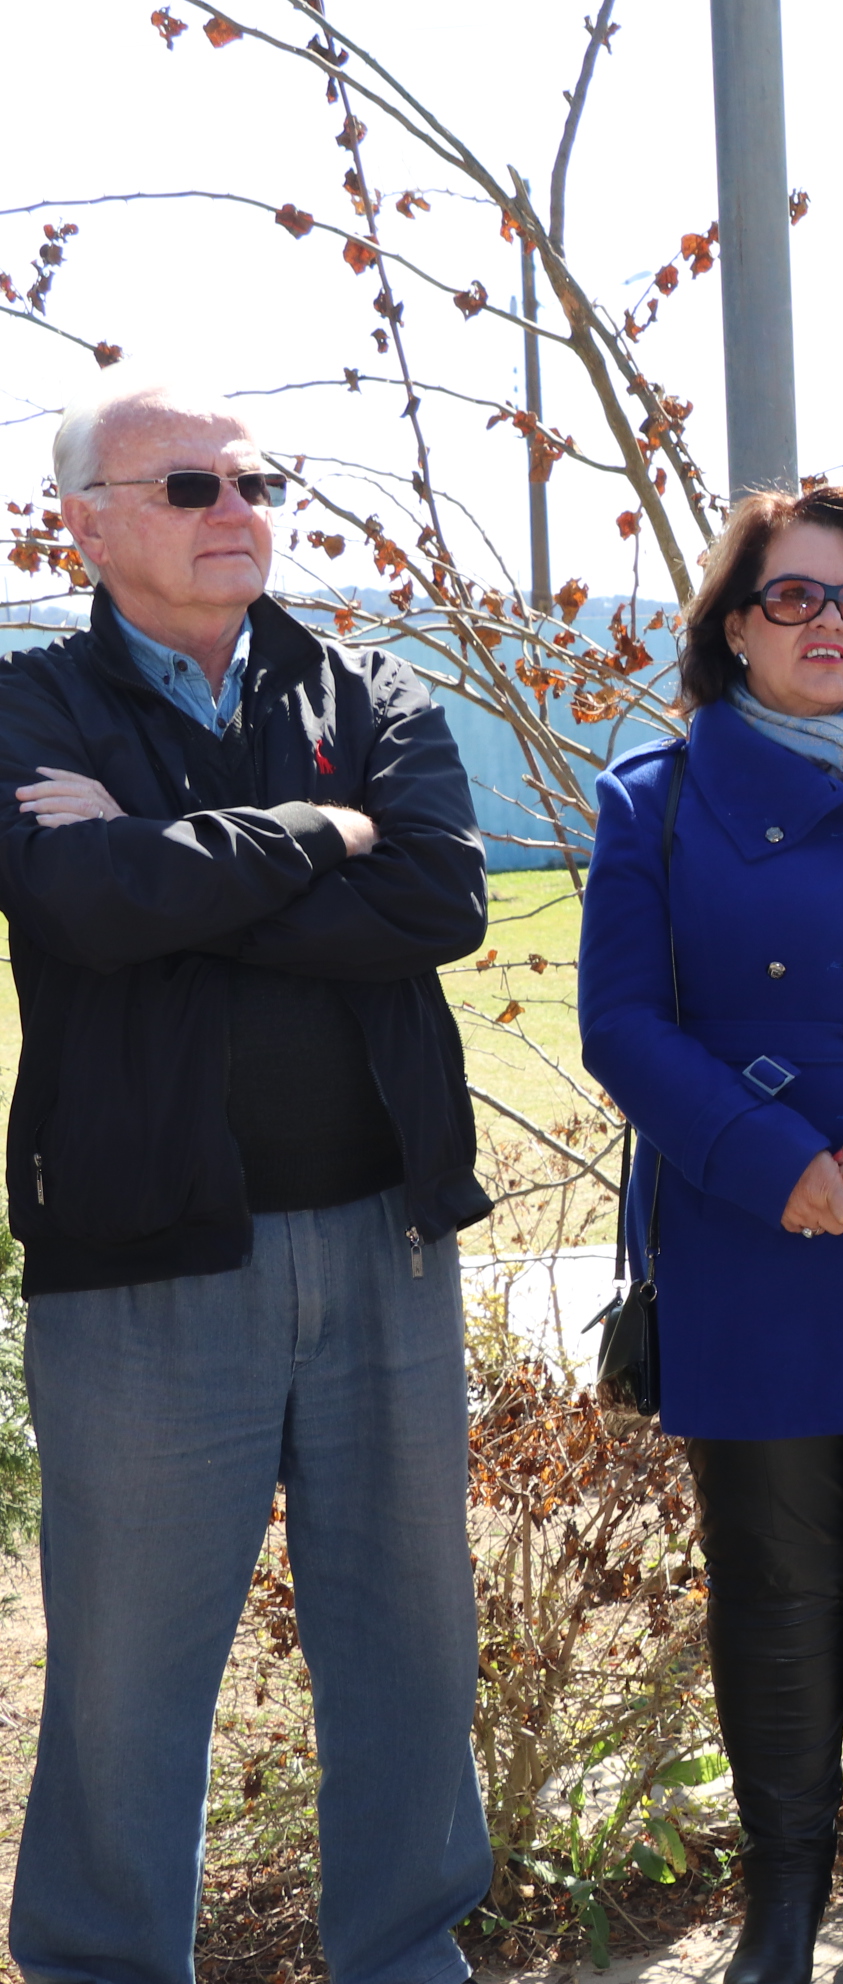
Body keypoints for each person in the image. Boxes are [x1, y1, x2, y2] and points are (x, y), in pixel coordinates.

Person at [3, 379, 493, 1980]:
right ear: (82, 523)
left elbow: (438, 903)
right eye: (190, 485)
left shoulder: (372, 689)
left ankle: (406, 1959)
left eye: (255, 482)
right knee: (128, 1674)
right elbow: (82, 905)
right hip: (145, 1256)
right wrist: (317, 832)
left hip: (385, 1243)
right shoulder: (27, 706)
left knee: (410, 1650)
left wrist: (173, 854)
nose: (237, 509)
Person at [578, 486, 843, 1978]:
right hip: (750, 1237)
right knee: (776, 1580)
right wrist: (770, 1156)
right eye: (795, 597)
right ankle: (785, 1883)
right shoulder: (652, 799)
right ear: (734, 627)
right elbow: (620, 1024)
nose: (830, 623)